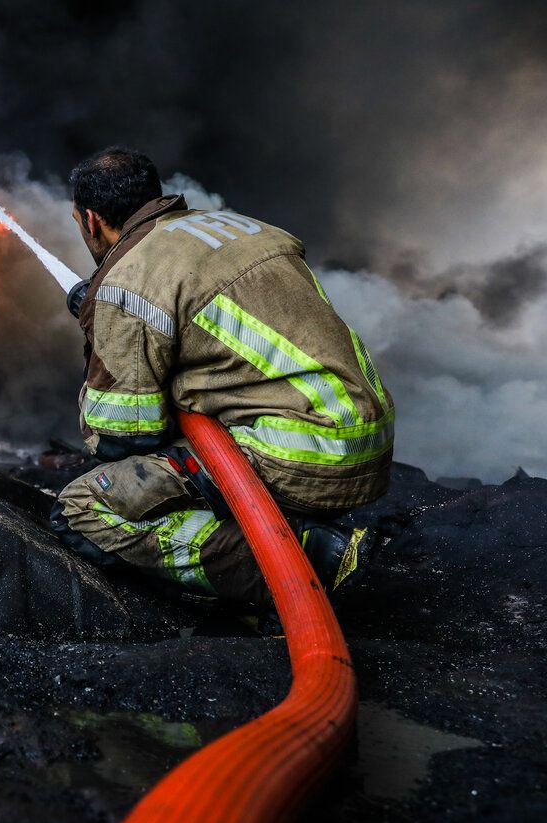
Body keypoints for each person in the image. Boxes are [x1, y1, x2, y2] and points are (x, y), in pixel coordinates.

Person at [51, 146, 393, 608]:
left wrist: (101, 328)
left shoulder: (128, 283)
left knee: (83, 508)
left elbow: (121, 436)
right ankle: (293, 535)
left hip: (295, 453)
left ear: (90, 220)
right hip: (366, 437)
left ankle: (302, 562)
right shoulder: (241, 228)